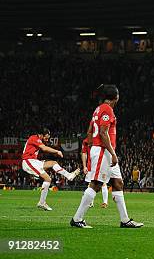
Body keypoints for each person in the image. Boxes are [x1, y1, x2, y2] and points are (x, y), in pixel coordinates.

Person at [70, 84, 143, 228]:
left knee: (118, 183)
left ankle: (125, 220)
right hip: (104, 151)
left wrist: (91, 146)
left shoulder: (98, 109)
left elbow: (90, 129)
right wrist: (111, 152)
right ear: (116, 97)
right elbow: (103, 133)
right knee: (96, 184)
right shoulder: (107, 109)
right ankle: (77, 219)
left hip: (103, 151)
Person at [21, 128, 79, 211]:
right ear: (41, 135)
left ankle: (69, 176)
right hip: (28, 162)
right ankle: (42, 202)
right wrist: (57, 151)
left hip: (34, 161)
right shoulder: (34, 138)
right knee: (47, 178)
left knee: (53, 163)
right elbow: (44, 148)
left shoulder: (37, 140)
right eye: (46, 138)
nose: (47, 140)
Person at [81, 138, 108, 208]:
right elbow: (84, 153)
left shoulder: (102, 139)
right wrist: (84, 166)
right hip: (90, 166)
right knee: (90, 184)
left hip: (101, 164)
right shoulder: (85, 141)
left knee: (103, 182)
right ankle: (90, 202)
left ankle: (105, 202)